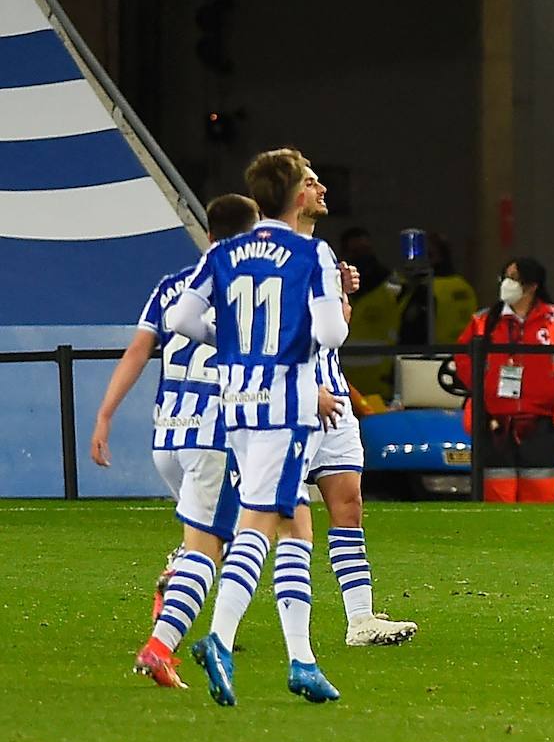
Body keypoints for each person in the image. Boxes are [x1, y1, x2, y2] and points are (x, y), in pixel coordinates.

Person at [168, 148, 349, 705]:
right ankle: (218, 638)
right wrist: (325, 313)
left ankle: (303, 660)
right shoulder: (309, 253)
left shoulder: (227, 251)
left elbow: (180, 318)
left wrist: (232, 342)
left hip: (237, 402)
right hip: (287, 406)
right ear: (297, 195)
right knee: (261, 525)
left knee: (292, 521)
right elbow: (331, 333)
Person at [90, 193, 260, 689]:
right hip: (214, 434)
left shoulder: (171, 287)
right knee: (212, 547)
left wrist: (104, 416)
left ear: (209, 235)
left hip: (168, 437)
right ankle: (161, 646)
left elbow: (138, 353)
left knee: (209, 540)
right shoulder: (247, 289)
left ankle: (178, 594)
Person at [297, 165, 417, 646]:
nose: (322, 188)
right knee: (266, 521)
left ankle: (360, 619)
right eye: (310, 181)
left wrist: (339, 295)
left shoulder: (321, 255)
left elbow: (334, 334)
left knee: (348, 506)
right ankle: (199, 607)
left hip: (334, 401)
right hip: (287, 402)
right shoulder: (268, 254)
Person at [454, 257, 554, 503]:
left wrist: (553, 389)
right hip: (494, 422)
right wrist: (484, 388)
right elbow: (463, 357)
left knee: (540, 494)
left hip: (540, 421)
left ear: (532, 285)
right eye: (504, 277)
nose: (506, 283)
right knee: (496, 495)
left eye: (513, 278)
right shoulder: (484, 320)